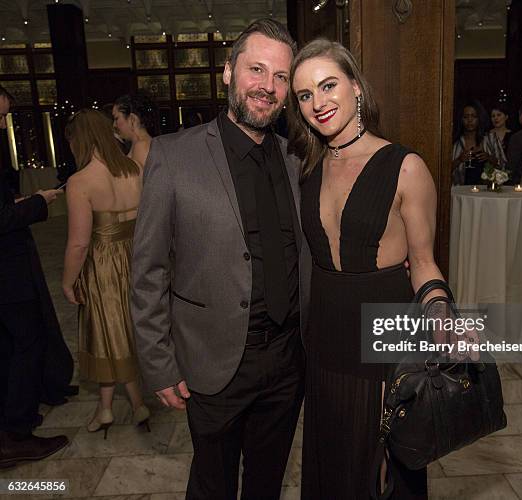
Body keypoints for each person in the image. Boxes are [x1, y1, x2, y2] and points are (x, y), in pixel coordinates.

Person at [130, 19, 310, 500]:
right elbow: (147, 272)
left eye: (280, 77)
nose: (267, 87)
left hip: (288, 360)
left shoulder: (297, 159)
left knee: (266, 482)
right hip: (213, 361)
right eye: (256, 70)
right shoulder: (173, 157)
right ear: (228, 73)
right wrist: (159, 365)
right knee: (212, 483)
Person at [289, 38, 448, 500]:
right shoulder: (307, 168)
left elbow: (422, 262)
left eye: (328, 85)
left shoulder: (406, 167)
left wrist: (440, 316)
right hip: (323, 341)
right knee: (331, 468)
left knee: (380, 475)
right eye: (304, 95)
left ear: (356, 87)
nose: (317, 103)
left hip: (384, 341)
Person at [62, 109, 150, 438]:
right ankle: (112, 406)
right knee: (123, 330)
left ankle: (118, 406)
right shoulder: (134, 170)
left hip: (102, 262)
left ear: (81, 140)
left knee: (105, 332)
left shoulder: (80, 182)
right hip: (135, 257)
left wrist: (67, 282)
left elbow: (78, 245)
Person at [0, 85, 69, 467]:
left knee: (10, 345)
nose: (3, 124)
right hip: (7, 273)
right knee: (27, 342)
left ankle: (13, 418)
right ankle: (15, 435)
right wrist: (39, 203)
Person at [451, 100, 496, 185]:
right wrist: (459, 160)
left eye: (474, 116)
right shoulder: (455, 141)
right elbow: (443, 171)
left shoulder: (490, 138)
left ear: (479, 118)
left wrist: (489, 158)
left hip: (487, 192)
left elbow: (503, 168)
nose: (470, 120)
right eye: (465, 117)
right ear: (461, 119)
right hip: (460, 192)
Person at [112, 91, 159, 169]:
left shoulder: (141, 146)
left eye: (116, 118)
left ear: (132, 119)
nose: (114, 125)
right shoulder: (141, 143)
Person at [488, 104, 512, 169]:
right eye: (493, 116)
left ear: (506, 117)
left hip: (508, 171)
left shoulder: (513, 136)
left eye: (499, 115)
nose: (495, 118)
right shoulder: (486, 135)